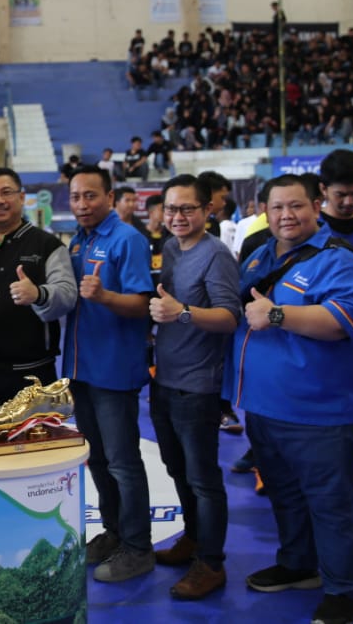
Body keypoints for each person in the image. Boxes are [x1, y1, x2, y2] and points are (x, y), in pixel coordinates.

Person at [222, 174, 353, 624]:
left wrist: (279, 314)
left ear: (317, 205)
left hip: (319, 409)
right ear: (263, 210)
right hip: (264, 407)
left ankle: (344, 589)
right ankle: (299, 564)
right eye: (277, 207)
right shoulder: (260, 253)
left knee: (331, 502)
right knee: (285, 495)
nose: (287, 215)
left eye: (297, 206)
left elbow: (341, 321)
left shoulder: (338, 260)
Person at [147, 175, 241, 600]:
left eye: (187, 209)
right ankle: (193, 538)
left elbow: (229, 317)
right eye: (171, 209)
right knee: (177, 470)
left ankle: (212, 562)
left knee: (203, 478)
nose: (178, 217)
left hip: (198, 385)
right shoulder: (169, 248)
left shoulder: (216, 255)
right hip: (164, 379)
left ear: (207, 211)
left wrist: (181, 312)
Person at [64, 165, 156, 583]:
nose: (82, 205)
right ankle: (114, 531)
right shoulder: (79, 240)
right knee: (97, 459)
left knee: (122, 463)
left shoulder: (127, 239)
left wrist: (105, 296)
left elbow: (143, 304)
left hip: (115, 370)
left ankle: (137, 547)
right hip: (82, 369)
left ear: (109, 196)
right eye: (75, 197)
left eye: (90, 196)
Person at [0, 167, 76, 429]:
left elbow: (67, 294)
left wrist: (38, 294)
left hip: (32, 378)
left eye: (7, 192)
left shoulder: (48, 246)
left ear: (22, 197)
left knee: (32, 456)